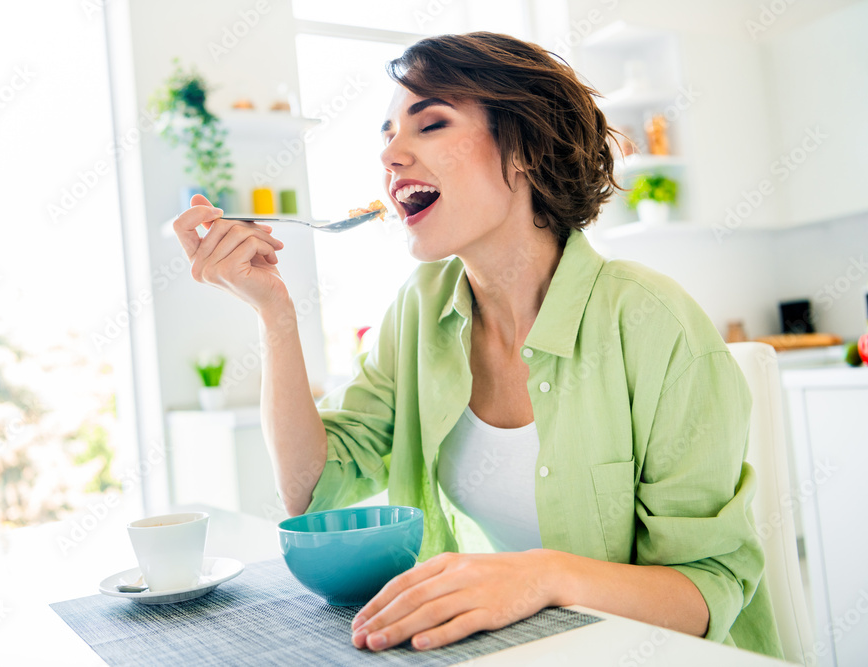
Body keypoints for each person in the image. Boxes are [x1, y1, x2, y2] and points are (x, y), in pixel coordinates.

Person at [173, 32, 783, 658]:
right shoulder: (420, 308)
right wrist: (274, 315)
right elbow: (313, 489)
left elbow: (705, 590)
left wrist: (541, 576)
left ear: (523, 148)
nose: (391, 155)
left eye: (429, 124)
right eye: (386, 135)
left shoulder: (653, 322)